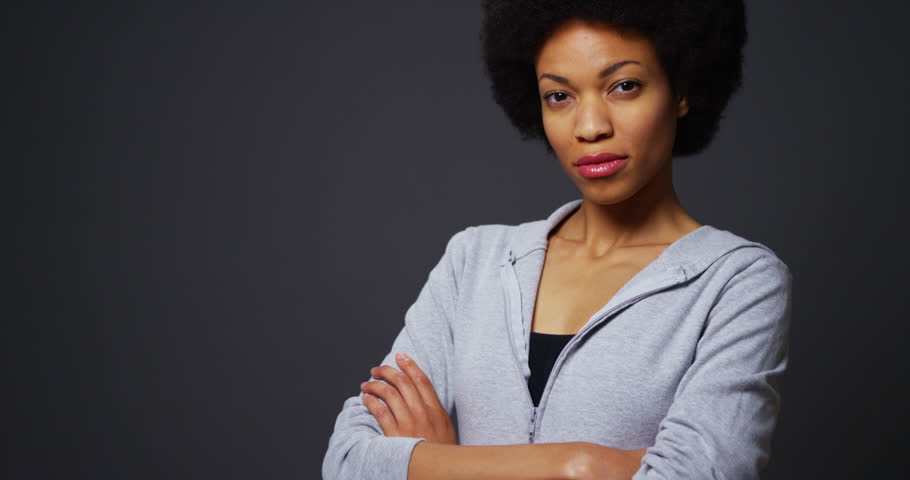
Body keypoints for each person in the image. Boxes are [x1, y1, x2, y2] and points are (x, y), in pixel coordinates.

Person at [323, 1, 792, 478]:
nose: (590, 127)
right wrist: (578, 465)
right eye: (559, 96)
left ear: (681, 90)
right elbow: (348, 461)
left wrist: (439, 465)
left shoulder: (737, 282)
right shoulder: (474, 262)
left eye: (624, 86)